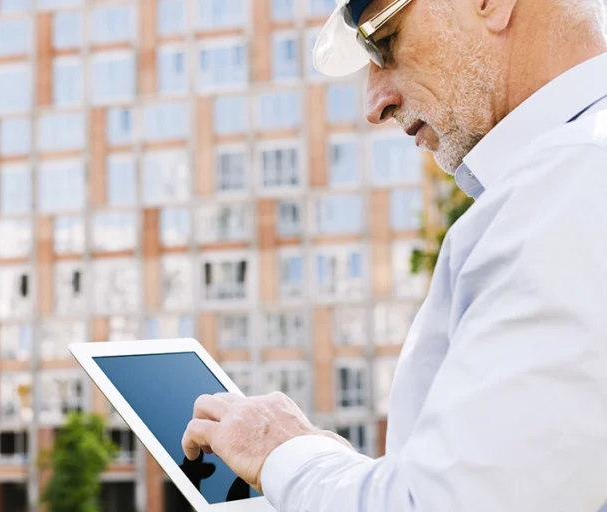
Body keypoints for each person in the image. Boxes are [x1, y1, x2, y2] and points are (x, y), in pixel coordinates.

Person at [180, 0, 607, 509]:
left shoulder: (571, 184)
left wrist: (281, 452)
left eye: (383, 40)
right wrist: (334, 471)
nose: (375, 104)